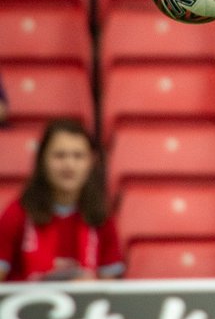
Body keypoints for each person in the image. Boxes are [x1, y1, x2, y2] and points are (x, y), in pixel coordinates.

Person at [0, 119, 123, 282]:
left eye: (78, 156)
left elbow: (110, 288)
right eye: (59, 155)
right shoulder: (16, 214)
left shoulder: (102, 216)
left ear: (90, 163)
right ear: (42, 160)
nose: (69, 165)